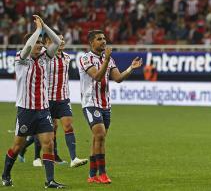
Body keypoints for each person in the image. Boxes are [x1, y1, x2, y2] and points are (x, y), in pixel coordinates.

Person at [1, 15, 65, 188]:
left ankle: (50, 180)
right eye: (37, 43)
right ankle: (6, 174)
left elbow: (57, 42)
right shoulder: (21, 59)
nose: (40, 45)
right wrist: (37, 31)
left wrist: (44, 26)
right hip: (26, 110)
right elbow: (28, 46)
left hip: (43, 110)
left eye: (41, 43)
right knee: (17, 146)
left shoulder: (45, 57)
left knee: (48, 144)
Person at [78, 30, 142, 184]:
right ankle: (103, 173)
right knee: (99, 136)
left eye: (104, 38)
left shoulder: (110, 59)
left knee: (97, 139)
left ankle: (92, 175)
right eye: (99, 39)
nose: (103, 41)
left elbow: (118, 78)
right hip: (91, 103)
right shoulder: (85, 59)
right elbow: (97, 77)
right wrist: (106, 59)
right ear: (91, 42)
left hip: (105, 104)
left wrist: (130, 68)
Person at [44, 31, 88, 168]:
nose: (62, 42)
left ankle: (74, 158)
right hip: (47, 99)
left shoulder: (67, 57)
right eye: (59, 40)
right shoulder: (45, 58)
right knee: (50, 131)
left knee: (68, 125)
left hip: (63, 98)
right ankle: (49, 155)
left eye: (63, 39)